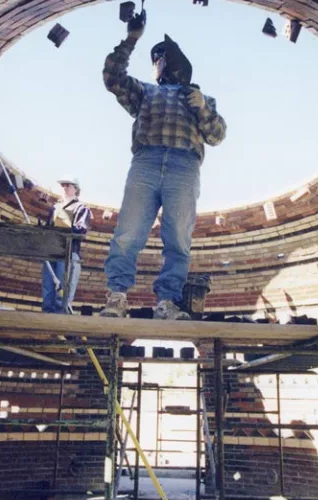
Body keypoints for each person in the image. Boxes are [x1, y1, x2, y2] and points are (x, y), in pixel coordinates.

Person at [99, 20, 227, 320]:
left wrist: (203, 109)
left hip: (184, 165)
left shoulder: (202, 98)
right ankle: (117, 297)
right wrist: (131, 39)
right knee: (128, 232)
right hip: (147, 160)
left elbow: (217, 135)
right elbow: (113, 77)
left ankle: (167, 303)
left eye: (160, 58)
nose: (157, 64)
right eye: (155, 60)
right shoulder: (145, 92)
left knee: (178, 238)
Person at [41, 176, 91, 314]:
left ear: (76, 189)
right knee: (48, 286)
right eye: (63, 185)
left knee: (63, 288)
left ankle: (60, 319)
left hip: (68, 252)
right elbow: (48, 226)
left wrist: (64, 227)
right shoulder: (55, 207)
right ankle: (46, 316)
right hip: (51, 251)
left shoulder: (81, 208)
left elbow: (80, 229)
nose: (64, 187)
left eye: (68, 185)